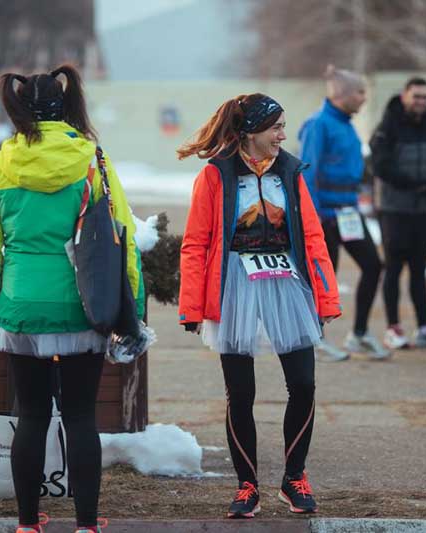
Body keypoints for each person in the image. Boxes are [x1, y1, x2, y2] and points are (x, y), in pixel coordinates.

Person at [0, 65, 142, 533]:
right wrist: (134, 312)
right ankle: (86, 523)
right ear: (67, 107)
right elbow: (120, 241)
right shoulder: (92, 160)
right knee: (81, 415)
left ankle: (28, 522)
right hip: (81, 306)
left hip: (23, 307)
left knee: (31, 415)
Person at [177, 93, 341, 518]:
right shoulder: (216, 174)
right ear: (250, 132)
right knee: (241, 393)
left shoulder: (290, 171)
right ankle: (247, 485)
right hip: (234, 285)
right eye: (276, 128)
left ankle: (294, 478)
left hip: (287, 284)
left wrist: (326, 296)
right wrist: (192, 306)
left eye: (284, 127)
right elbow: (195, 242)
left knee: (303, 384)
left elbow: (312, 238)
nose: (283, 136)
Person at [298, 65, 389, 362]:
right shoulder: (318, 124)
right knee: (324, 276)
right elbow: (306, 172)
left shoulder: (347, 123)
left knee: (373, 266)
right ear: (343, 95)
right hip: (325, 213)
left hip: (348, 211)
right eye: (360, 92)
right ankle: (315, 339)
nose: (364, 98)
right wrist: (314, 215)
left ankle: (359, 334)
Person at [369, 77, 426, 350]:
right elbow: (379, 165)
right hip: (394, 210)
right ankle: (393, 327)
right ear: (404, 96)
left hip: (422, 210)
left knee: (419, 270)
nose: (421, 102)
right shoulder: (387, 126)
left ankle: (425, 325)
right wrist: (411, 184)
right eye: (417, 96)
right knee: (393, 269)